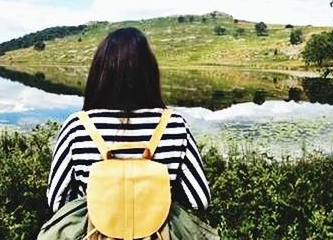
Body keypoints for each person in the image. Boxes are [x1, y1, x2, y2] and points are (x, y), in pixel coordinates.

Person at [45, 27, 211, 212]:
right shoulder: (174, 125)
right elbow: (199, 200)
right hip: (158, 238)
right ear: (149, 72)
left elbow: (57, 201)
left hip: (94, 237)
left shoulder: (77, 126)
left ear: (100, 72)